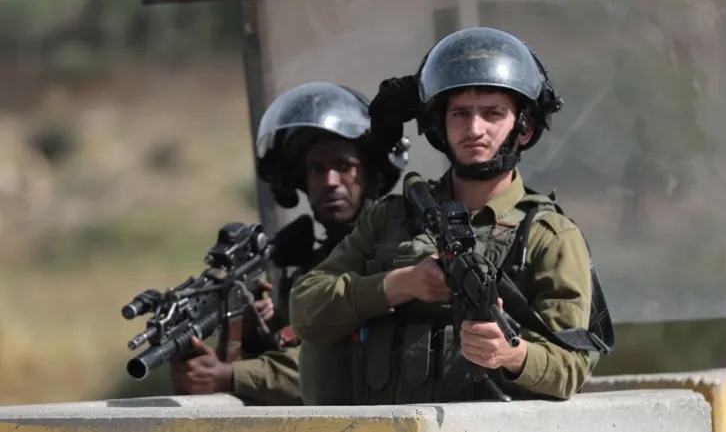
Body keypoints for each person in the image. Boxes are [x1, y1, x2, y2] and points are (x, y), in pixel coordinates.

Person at [289, 27, 615, 405]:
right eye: (460, 113)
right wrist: (400, 284)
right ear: (439, 125)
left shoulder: (548, 235)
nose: (474, 129)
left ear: (522, 128)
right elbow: (306, 310)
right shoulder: (390, 218)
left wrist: (512, 355)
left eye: (493, 113)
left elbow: (571, 365)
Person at [169, 81, 410, 405]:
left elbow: (348, 360)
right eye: (316, 169)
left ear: (372, 173)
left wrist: (229, 375)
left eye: (344, 166)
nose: (329, 181)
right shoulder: (308, 263)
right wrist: (252, 331)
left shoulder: (393, 252)